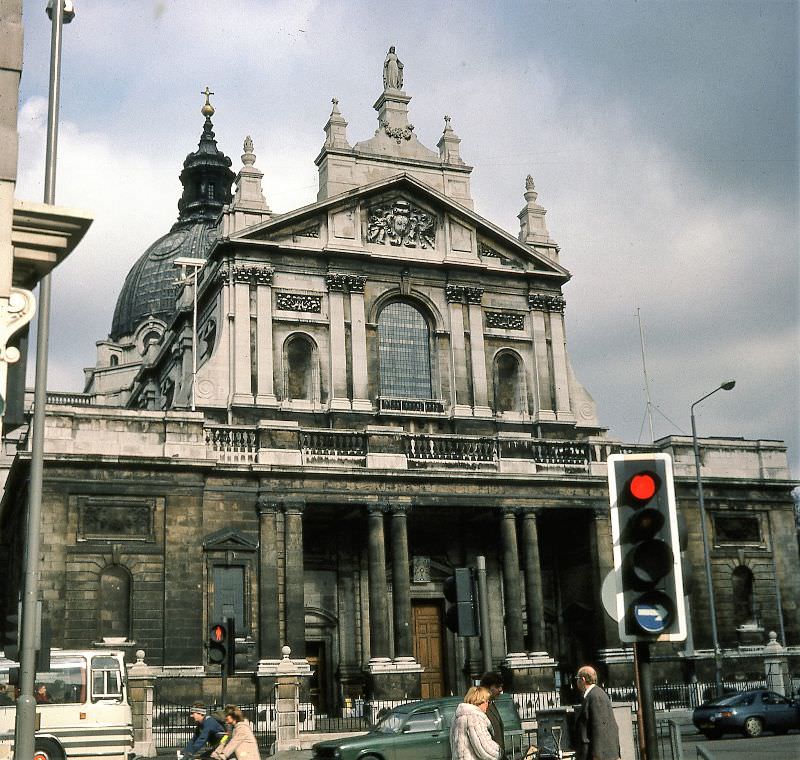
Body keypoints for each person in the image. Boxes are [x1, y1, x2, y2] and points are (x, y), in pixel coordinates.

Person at [574, 665, 621, 760]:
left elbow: (599, 726)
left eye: (577, 678)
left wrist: (597, 755)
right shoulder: (593, 695)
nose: (576, 682)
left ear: (583, 679)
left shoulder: (595, 696)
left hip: (599, 755)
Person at [450, 685, 502, 760]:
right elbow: (484, 748)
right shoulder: (474, 717)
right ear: (480, 700)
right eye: (487, 701)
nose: (488, 705)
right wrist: (499, 752)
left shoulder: (458, 716)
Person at [480, 672, 506, 758]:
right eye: (497, 686)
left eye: (501, 686)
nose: (500, 690)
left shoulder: (491, 704)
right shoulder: (480, 707)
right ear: (487, 688)